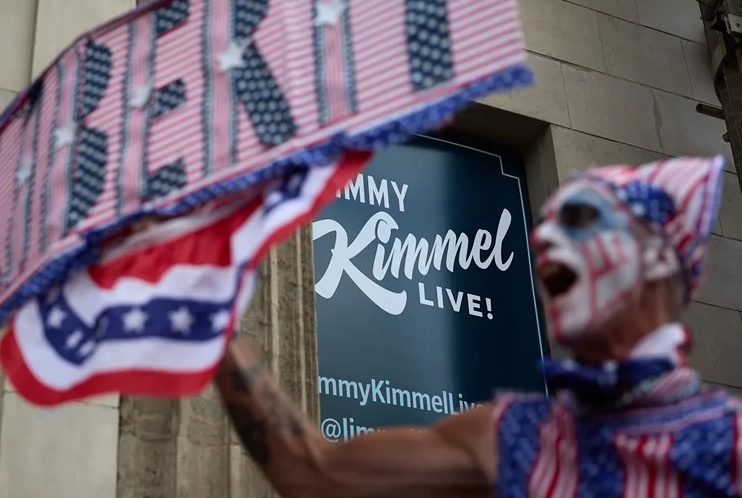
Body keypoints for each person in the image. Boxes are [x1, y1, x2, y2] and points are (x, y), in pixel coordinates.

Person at [214, 155, 742, 497]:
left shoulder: (731, 440)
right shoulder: (510, 436)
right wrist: (212, 306)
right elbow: (317, 474)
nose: (544, 242)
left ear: (656, 257)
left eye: (580, 220)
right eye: (544, 227)